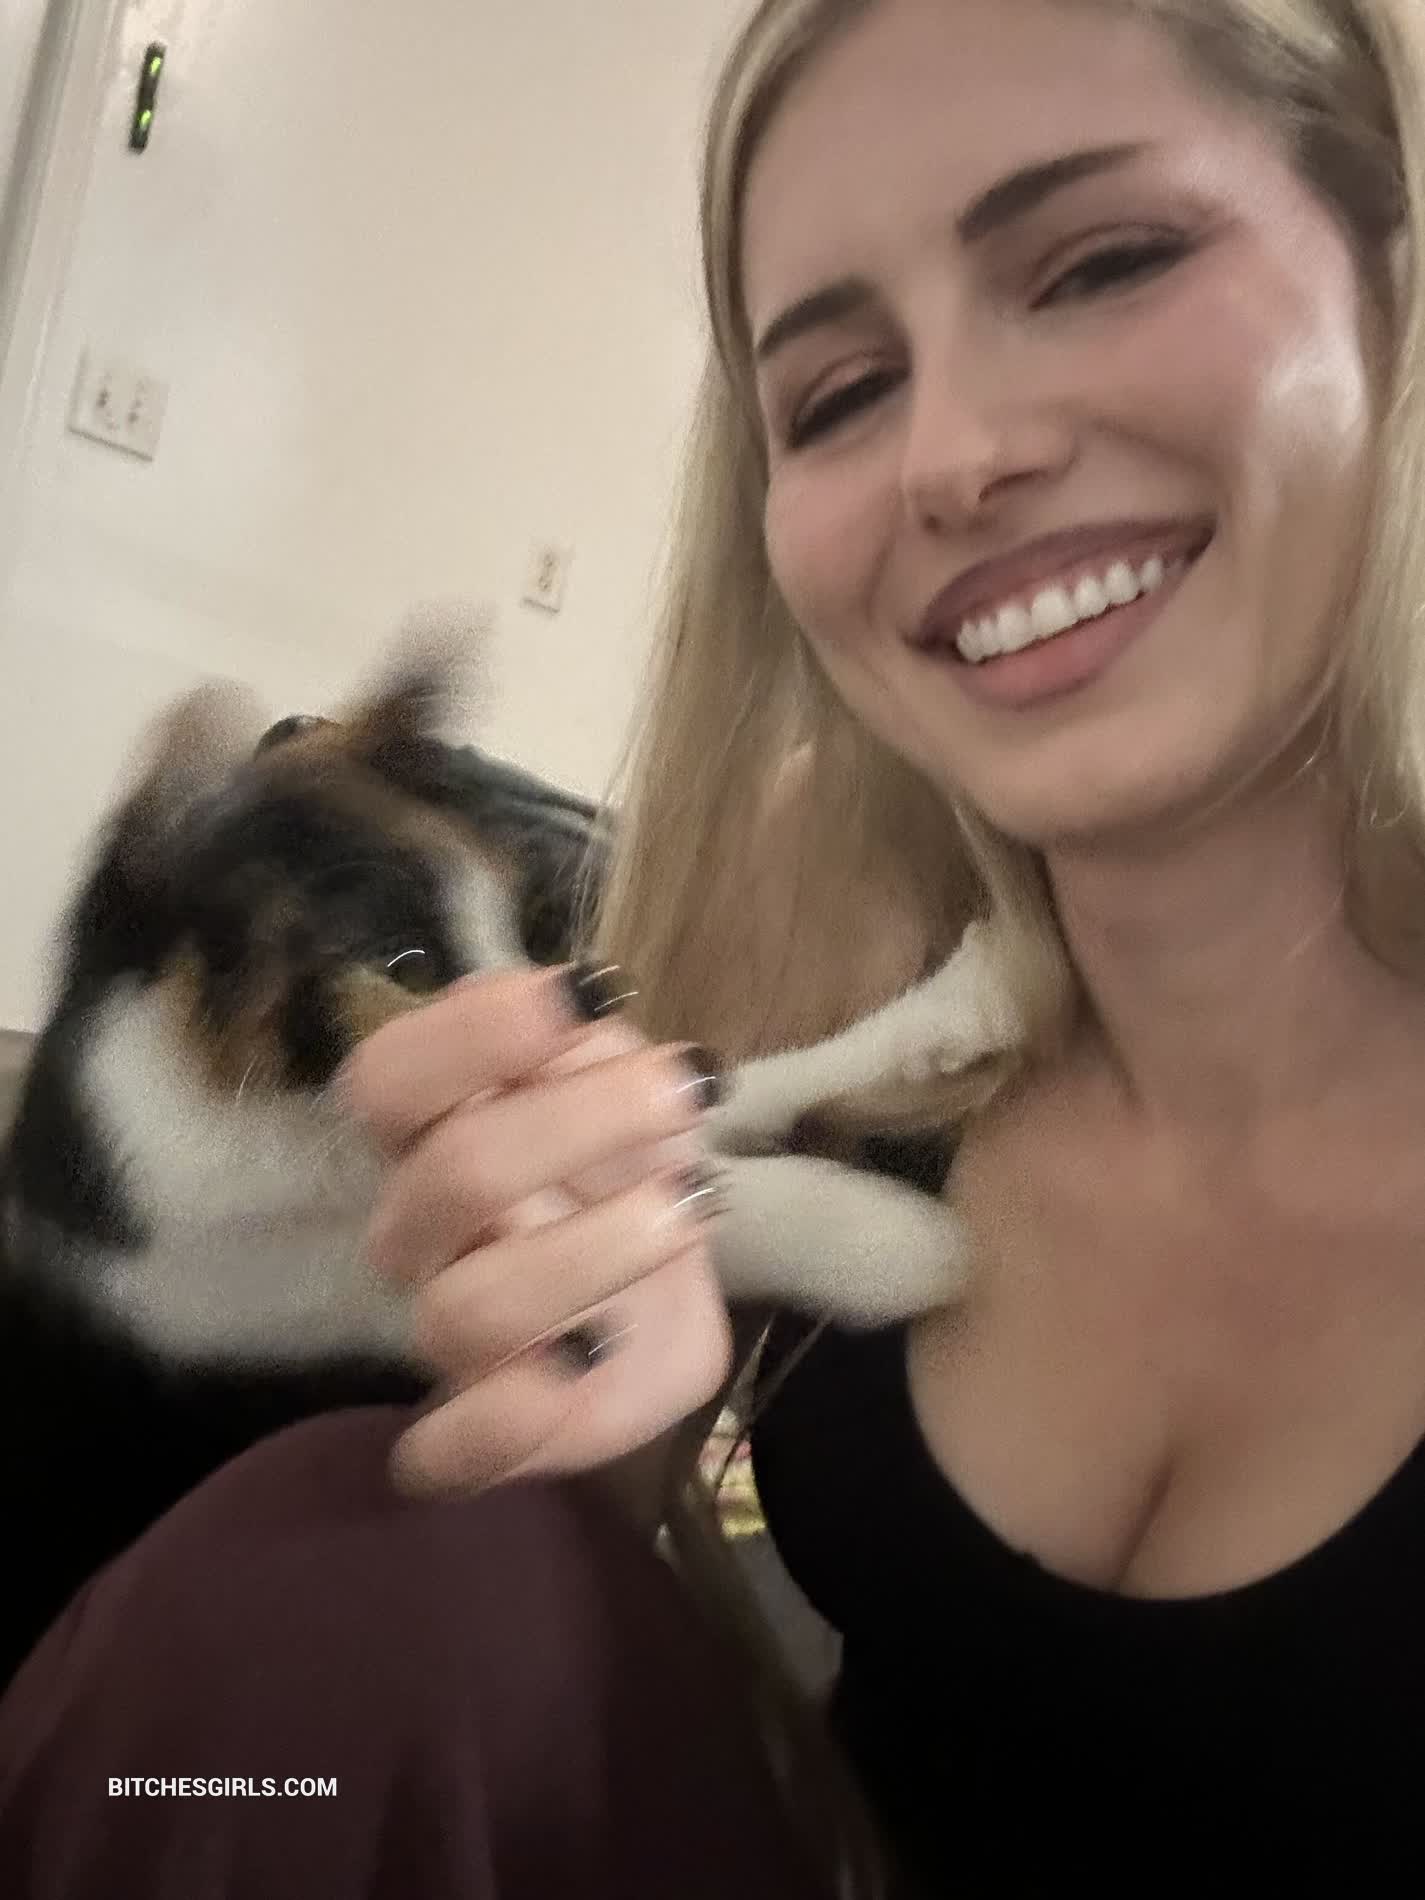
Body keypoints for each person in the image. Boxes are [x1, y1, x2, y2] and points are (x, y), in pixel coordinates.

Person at [4, 0, 1425, 1892]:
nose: (953, 456)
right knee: (321, 1594)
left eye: (1103, 262)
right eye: (833, 391)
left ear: (1388, 282)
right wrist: (588, 1407)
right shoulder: (829, 952)